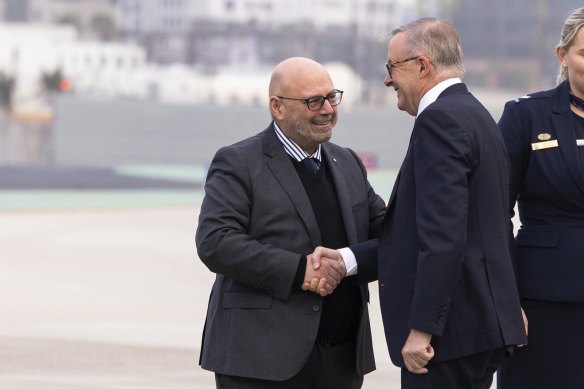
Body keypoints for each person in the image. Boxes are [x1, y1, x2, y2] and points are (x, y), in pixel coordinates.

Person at [308, 17, 527, 388]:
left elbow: (444, 237)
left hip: (446, 339)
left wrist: (423, 329)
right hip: (482, 326)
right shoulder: (478, 117)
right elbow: (490, 224)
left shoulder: (438, 122)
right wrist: (347, 260)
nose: (387, 79)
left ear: (422, 65)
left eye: (392, 67)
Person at [195, 56, 386, 389]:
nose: (327, 109)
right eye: (313, 101)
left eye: (332, 97)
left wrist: (347, 262)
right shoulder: (239, 162)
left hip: (341, 363)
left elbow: (391, 235)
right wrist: (301, 271)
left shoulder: (349, 164)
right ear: (277, 107)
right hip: (259, 362)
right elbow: (216, 241)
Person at [496, 7, 584, 388]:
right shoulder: (525, 116)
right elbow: (493, 213)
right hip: (544, 301)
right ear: (563, 56)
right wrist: (504, 300)